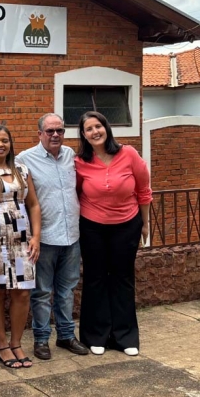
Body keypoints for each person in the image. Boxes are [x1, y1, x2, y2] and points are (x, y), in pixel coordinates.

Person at [75, 111, 152, 357]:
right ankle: (96, 336)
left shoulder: (128, 154)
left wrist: (145, 224)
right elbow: (77, 192)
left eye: (98, 126)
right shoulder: (80, 162)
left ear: (106, 128)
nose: (95, 132)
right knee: (95, 279)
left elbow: (144, 190)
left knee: (122, 279)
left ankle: (124, 336)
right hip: (92, 227)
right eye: (89, 129)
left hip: (127, 225)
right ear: (84, 135)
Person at [18, 114, 89, 360]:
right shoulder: (25, 159)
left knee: (67, 290)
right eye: (50, 131)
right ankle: (41, 339)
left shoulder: (71, 155)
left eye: (60, 130)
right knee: (41, 292)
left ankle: (66, 336)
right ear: (40, 134)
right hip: (44, 238)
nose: (56, 135)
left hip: (72, 236)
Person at [0, 124, 42, 369]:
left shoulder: (22, 170)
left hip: (23, 239)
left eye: (4, 140)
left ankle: (16, 343)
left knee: (22, 292)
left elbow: (33, 204)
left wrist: (36, 237)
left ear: (11, 143)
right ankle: (2, 345)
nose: (0, 145)